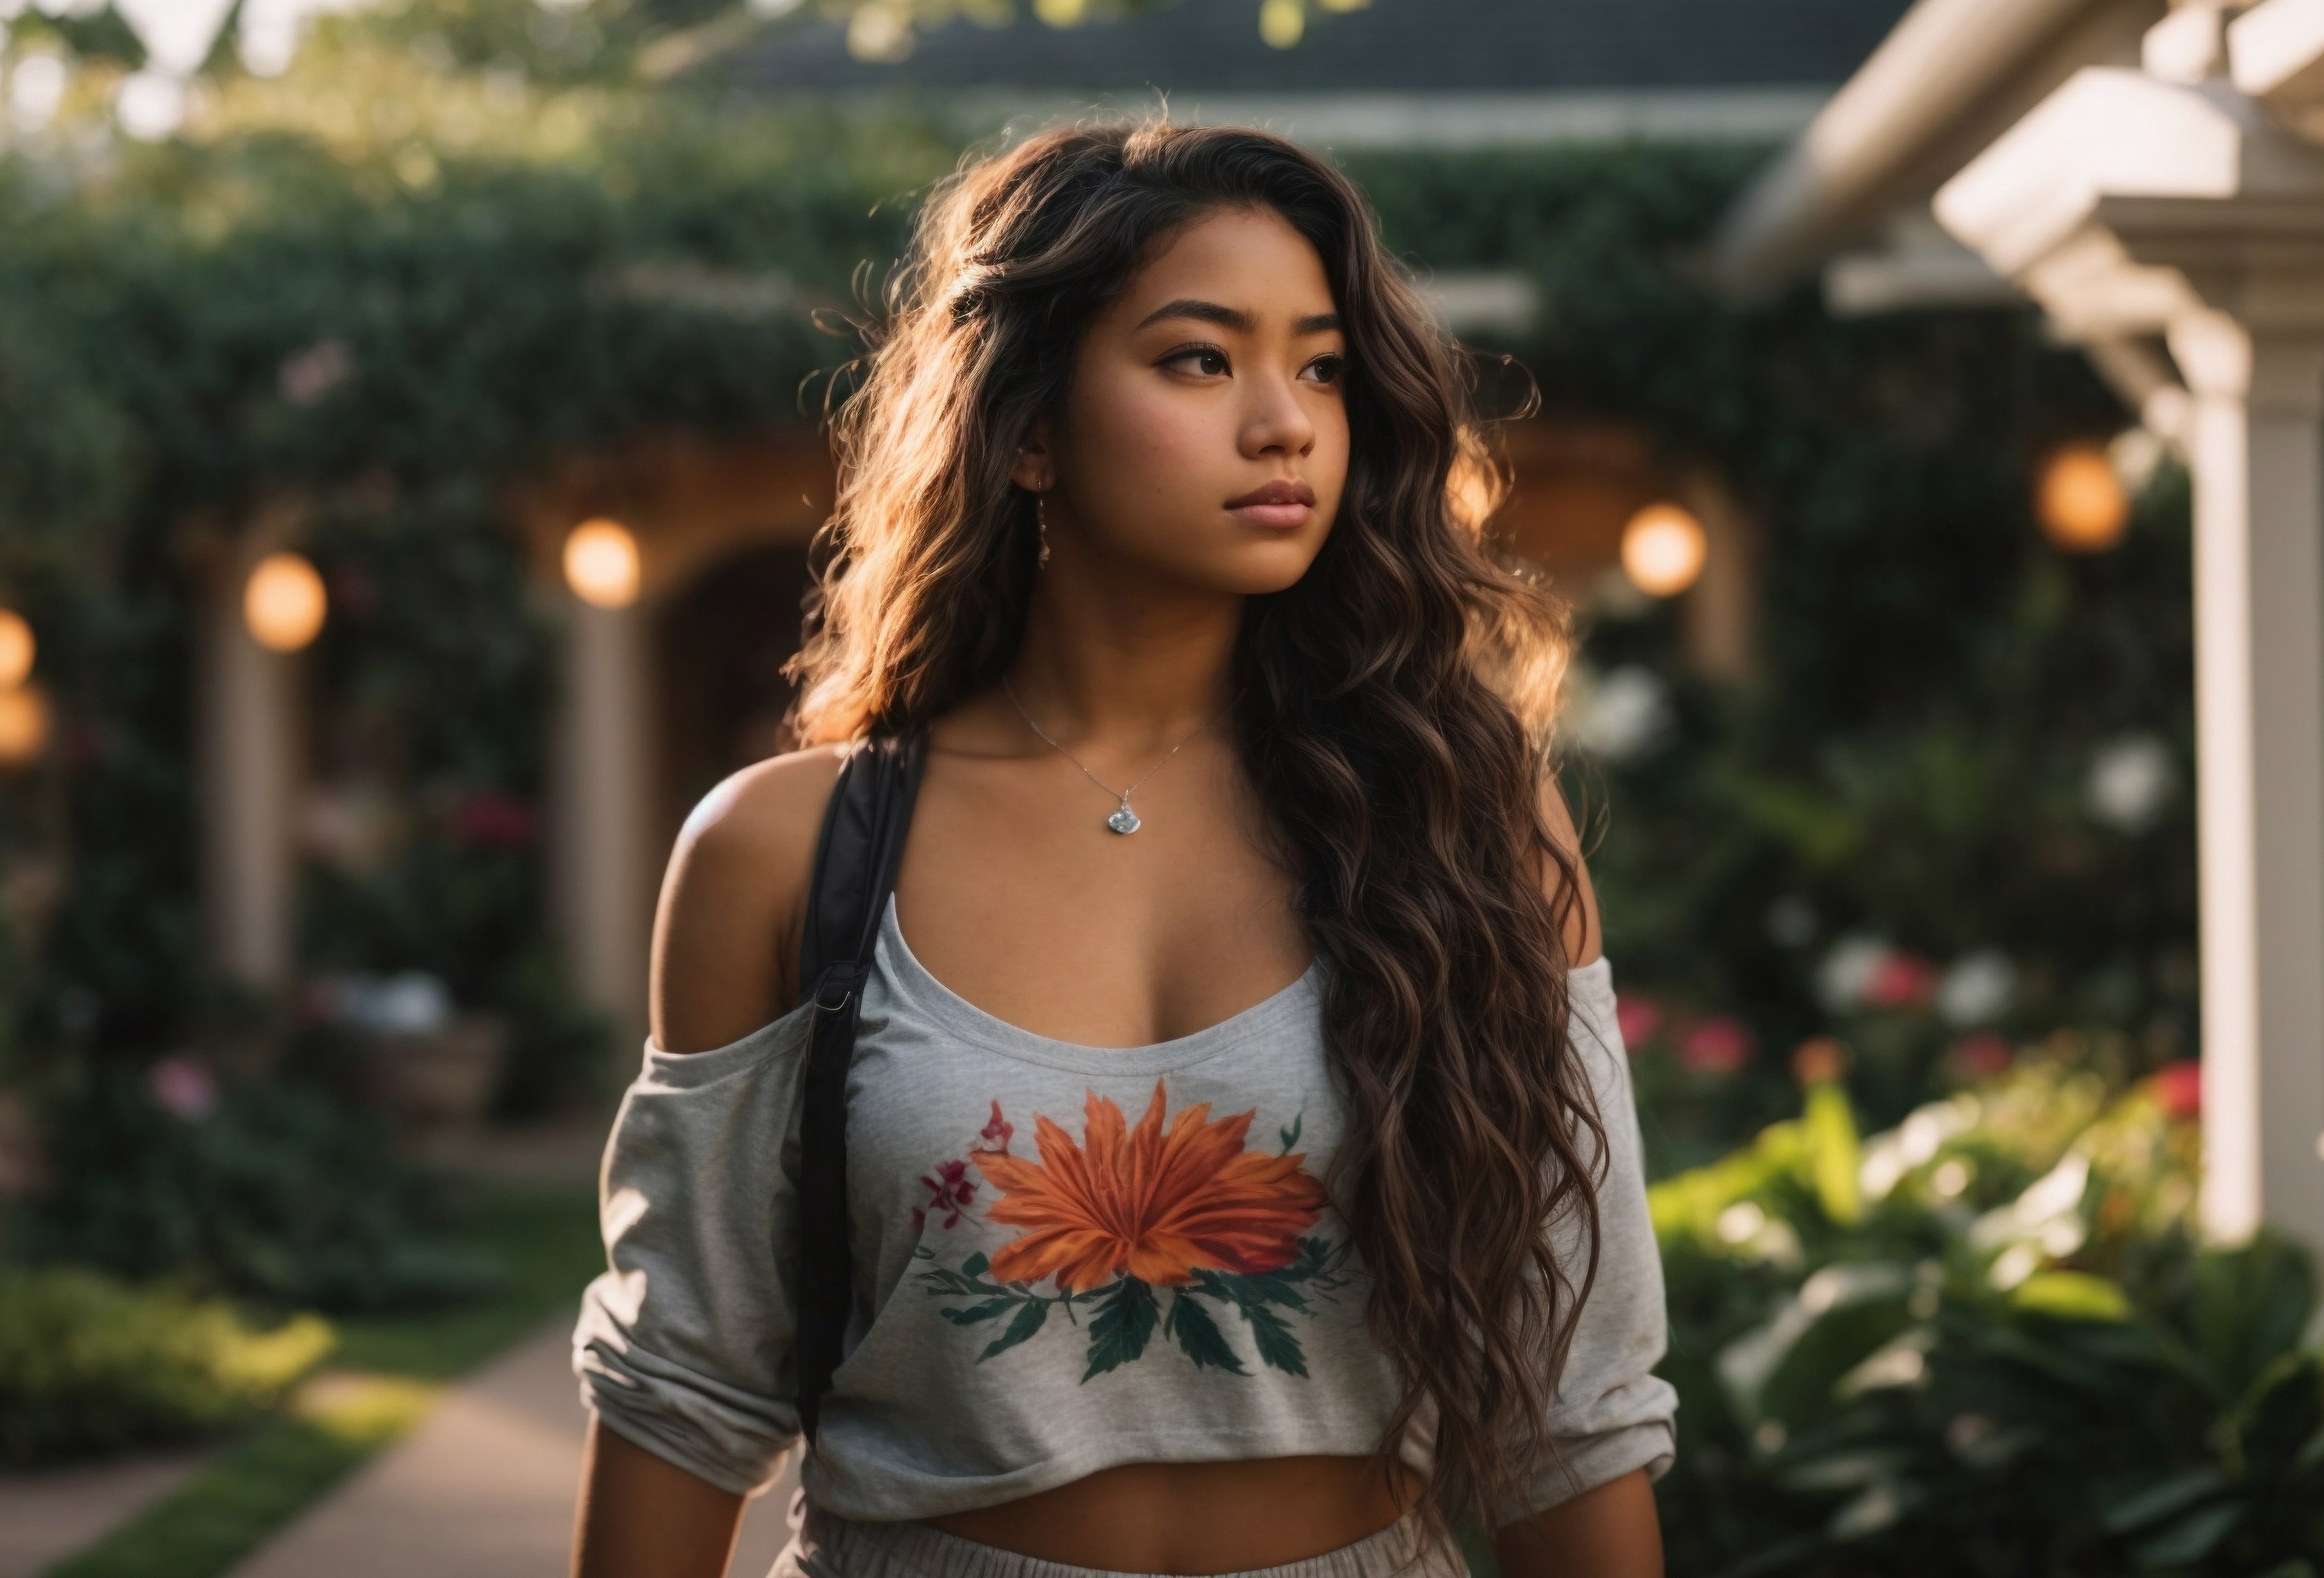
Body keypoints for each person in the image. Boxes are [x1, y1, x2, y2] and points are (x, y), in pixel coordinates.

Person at [571, 121, 1673, 1578]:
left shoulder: (1466, 820)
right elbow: (683, 1389)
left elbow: (1569, 1400)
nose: (1284, 422)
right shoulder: (790, 852)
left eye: (1323, 366)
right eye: (1200, 360)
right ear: (1028, 429)